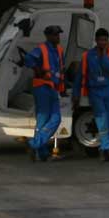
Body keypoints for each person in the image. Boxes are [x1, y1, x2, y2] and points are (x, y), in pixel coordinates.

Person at [23, 25, 66, 162]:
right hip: (42, 87)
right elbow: (28, 59)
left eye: (58, 35)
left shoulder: (59, 50)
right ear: (47, 36)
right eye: (54, 35)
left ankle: (35, 145)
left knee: (55, 119)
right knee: (43, 120)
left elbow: (60, 69)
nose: (57, 37)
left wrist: (62, 87)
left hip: (53, 88)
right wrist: (38, 69)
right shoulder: (41, 49)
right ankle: (41, 153)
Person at [80, 28, 109, 162]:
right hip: (95, 91)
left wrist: (104, 56)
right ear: (96, 41)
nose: (103, 42)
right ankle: (107, 149)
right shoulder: (88, 55)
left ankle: (105, 150)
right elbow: (81, 74)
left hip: (108, 90)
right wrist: (76, 93)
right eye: (100, 40)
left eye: (105, 40)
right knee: (101, 119)